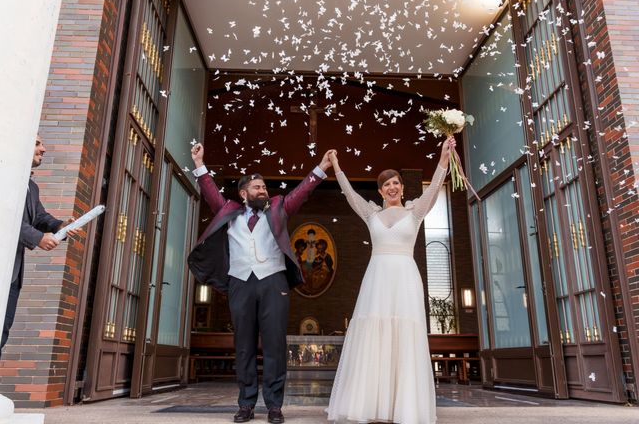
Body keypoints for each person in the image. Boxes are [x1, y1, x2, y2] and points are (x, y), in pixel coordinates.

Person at [187, 143, 334, 424]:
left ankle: (275, 406)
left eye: (264, 186)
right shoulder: (229, 210)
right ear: (244, 194)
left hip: (273, 282)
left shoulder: (278, 207)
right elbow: (210, 193)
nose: (263, 190)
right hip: (240, 283)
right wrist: (199, 163)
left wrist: (322, 168)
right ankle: (246, 404)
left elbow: (301, 193)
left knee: (275, 345)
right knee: (243, 346)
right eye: (257, 187)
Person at [326, 137, 454, 424]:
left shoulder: (415, 212)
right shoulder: (371, 213)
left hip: (405, 279)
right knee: (374, 332)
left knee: (405, 334)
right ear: (381, 191)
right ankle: (371, 405)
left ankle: (403, 407)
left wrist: (444, 159)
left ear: (402, 187)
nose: (392, 187)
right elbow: (349, 194)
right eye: (386, 184)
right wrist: (336, 167)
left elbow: (434, 189)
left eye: (396, 182)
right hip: (377, 279)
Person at [1, 134, 77, 362]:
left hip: (13, 273)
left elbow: (40, 217)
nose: (43, 149)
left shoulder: (31, 186)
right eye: (37, 143)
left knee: (2, 331)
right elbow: (4, 217)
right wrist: (37, 238)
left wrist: (60, 226)